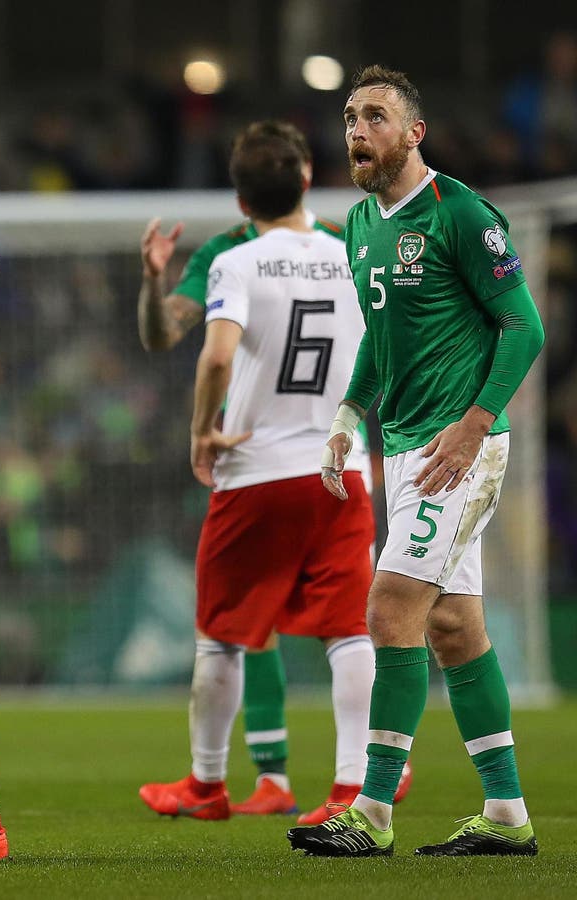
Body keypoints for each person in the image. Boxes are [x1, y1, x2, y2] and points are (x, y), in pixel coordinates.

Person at [288, 65, 545, 858]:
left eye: (374, 117)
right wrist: (344, 416)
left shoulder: (460, 213)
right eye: (349, 118)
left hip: (457, 447)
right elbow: (382, 338)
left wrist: (475, 424)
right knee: (455, 629)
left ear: (413, 133)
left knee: (391, 606)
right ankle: (506, 817)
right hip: (403, 447)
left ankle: (370, 812)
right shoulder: (362, 223)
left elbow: (523, 326)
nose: (356, 131)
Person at [137, 125, 411, 820]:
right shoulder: (355, 248)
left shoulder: (239, 259)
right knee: (350, 631)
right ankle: (353, 786)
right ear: (310, 177)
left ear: (239, 198)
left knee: (222, 634)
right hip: (342, 467)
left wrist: (202, 430)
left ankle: (206, 784)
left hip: (257, 469)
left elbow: (216, 356)